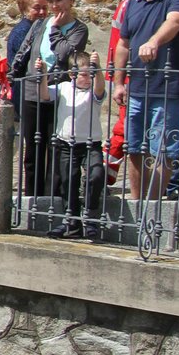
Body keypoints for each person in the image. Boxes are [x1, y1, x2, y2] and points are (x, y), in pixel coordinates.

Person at [112, 0, 179, 200]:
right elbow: (123, 44)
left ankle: (153, 208)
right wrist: (119, 83)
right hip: (137, 89)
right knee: (134, 147)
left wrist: (154, 41)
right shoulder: (133, 3)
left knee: (163, 149)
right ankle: (136, 204)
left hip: (168, 89)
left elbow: (175, 21)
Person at [10, 0, 89, 199]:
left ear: (71, 0)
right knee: (33, 148)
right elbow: (25, 49)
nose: (55, 6)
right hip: (31, 91)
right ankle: (32, 197)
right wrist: (14, 73)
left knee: (55, 147)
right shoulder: (39, 24)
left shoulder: (78, 28)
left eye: (60, 0)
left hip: (58, 93)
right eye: (52, 1)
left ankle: (52, 198)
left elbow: (64, 53)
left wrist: (54, 29)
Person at [49, 51, 107, 238]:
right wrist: (41, 73)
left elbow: (100, 87)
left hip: (91, 143)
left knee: (96, 174)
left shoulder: (93, 91)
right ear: (72, 74)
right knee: (68, 181)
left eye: (91, 74)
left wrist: (97, 68)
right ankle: (71, 221)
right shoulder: (63, 88)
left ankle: (90, 217)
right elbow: (43, 94)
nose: (88, 78)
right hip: (66, 144)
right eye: (84, 74)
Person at [5, 0, 49, 115]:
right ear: (25, 10)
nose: (42, 12)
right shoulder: (24, 30)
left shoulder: (37, 29)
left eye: (45, 8)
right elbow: (22, 62)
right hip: (22, 89)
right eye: (36, 8)